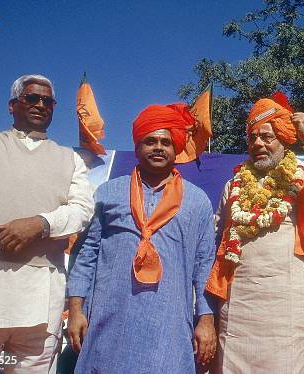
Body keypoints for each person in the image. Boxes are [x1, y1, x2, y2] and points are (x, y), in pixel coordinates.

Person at [0, 12, 94, 372]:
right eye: (31, 97)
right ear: (12, 105)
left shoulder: (70, 160)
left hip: (39, 299)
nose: (39, 104)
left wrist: (40, 224)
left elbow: (82, 209)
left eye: (47, 101)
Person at [67, 104, 217, 373]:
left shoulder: (197, 202)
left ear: (176, 149)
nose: (158, 147)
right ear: (137, 146)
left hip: (169, 328)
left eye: (166, 142)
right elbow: (86, 255)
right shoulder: (108, 193)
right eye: (150, 141)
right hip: (108, 321)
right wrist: (76, 308)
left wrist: (205, 320)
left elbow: (205, 267)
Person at [206, 99, 304, 372]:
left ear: (284, 140)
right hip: (241, 304)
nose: (258, 143)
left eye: (267, 136)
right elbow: (217, 241)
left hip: (295, 301)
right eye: (253, 137)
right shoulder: (232, 185)